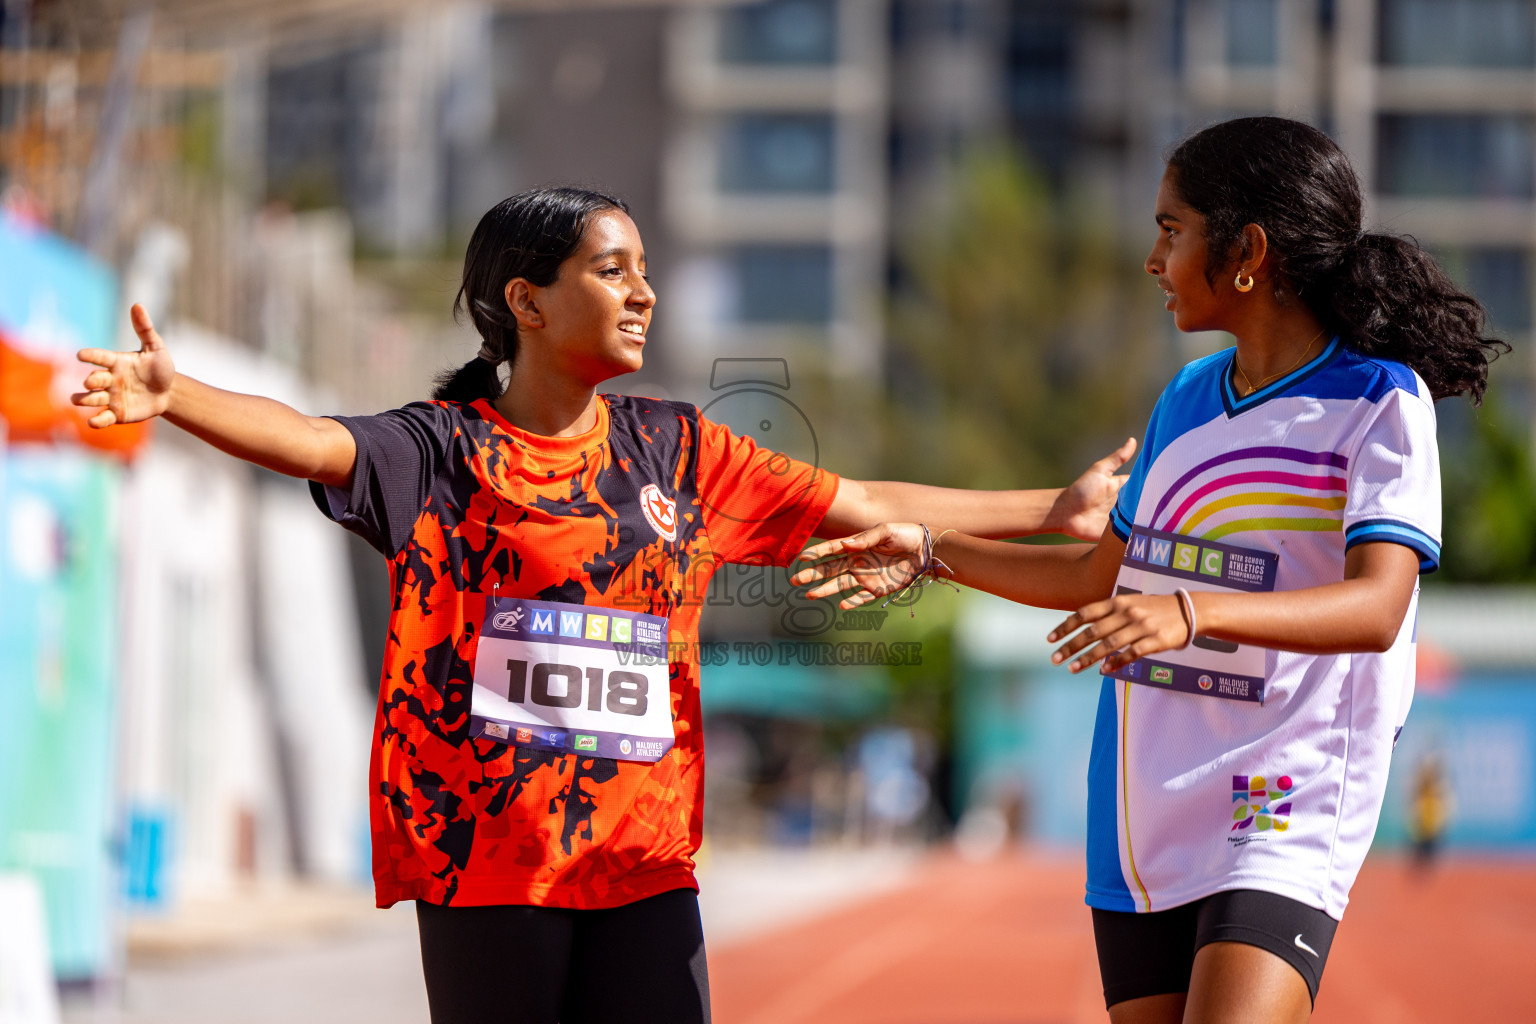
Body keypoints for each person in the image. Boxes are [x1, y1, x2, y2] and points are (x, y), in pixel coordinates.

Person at [73, 186, 1133, 1024]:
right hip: (485, 866)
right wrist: (177, 398)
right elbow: (314, 437)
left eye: (645, 272)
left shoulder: (677, 448)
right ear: (525, 301)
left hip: (642, 865)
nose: (644, 293)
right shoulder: (441, 448)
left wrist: (1059, 506)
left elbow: (863, 502)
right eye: (611, 270)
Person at [792, 117, 1507, 1024]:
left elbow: (1377, 606)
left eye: (1173, 231)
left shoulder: (1378, 398)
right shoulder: (1185, 398)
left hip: (1284, 793)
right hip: (1146, 798)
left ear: (1247, 251)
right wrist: (932, 552)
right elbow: (1099, 579)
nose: (1152, 258)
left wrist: (1191, 611)